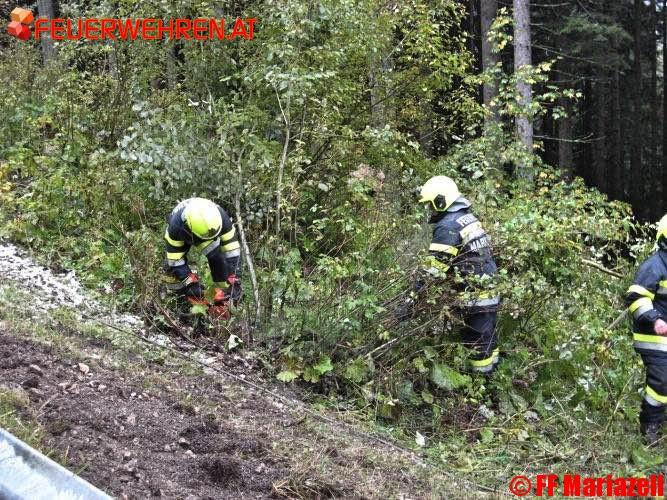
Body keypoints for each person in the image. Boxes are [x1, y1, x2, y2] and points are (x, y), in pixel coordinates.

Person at [401, 175, 501, 374]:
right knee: (488, 338)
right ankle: (494, 377)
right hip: (489, 288)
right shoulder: (466, 217)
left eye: (431, 204)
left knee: (477, 345)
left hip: (476, 296)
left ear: (441, 200)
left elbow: (432, 271)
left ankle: (481, 380)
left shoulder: (448, 227)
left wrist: (410, 301)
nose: (430, 209)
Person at [162, 197, 242, 318]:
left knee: (218, 259)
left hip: (205, 231)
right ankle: (177, 301)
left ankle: (223, 302)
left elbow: (233, 251)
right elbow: (175, 261)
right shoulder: (176, 228)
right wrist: (191, 285)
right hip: (187, 231)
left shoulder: (222, 218)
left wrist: (235, 279)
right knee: (172, 271)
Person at [625, 213, 667, 445]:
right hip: (654, 338)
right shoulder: (654, 266)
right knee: (662, 381)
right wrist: (655, 319)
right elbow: (636, 297)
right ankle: (650, 424)